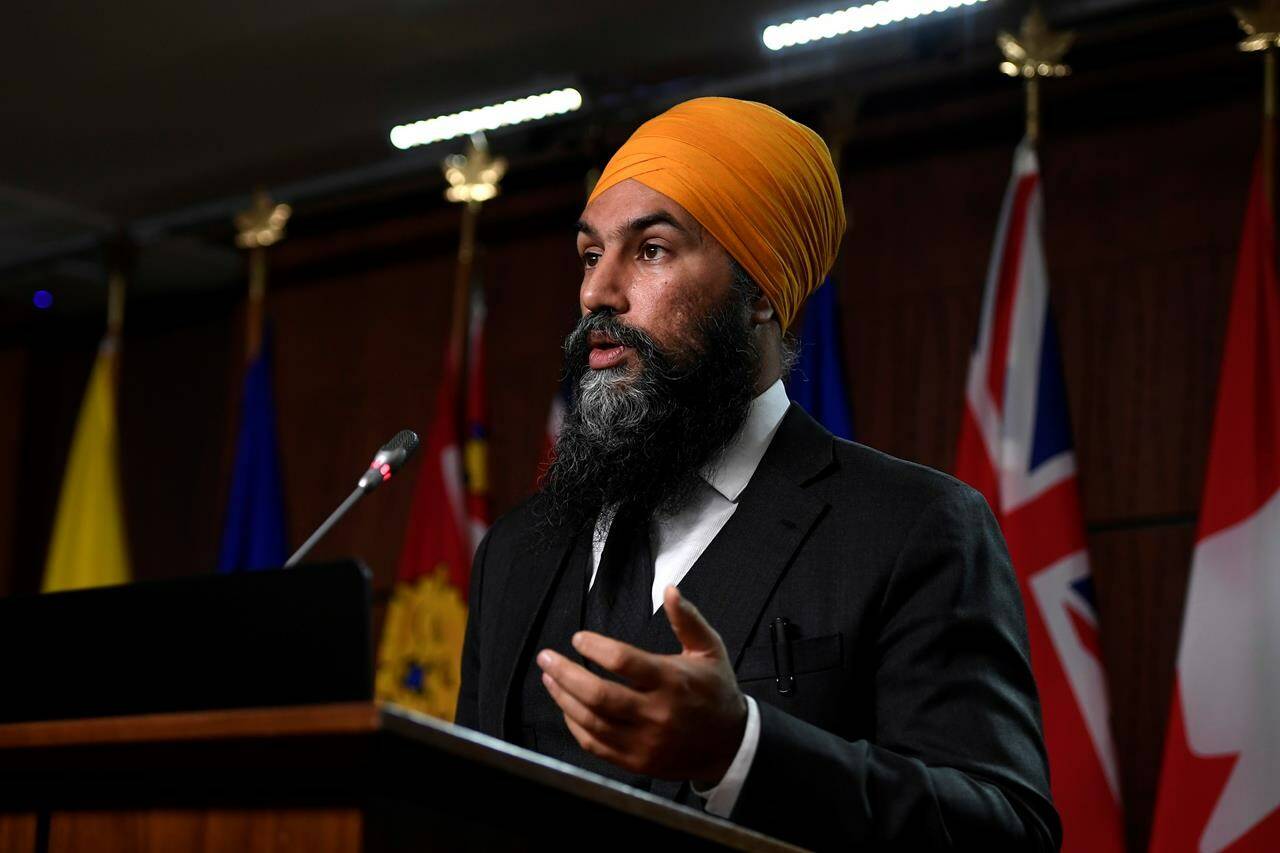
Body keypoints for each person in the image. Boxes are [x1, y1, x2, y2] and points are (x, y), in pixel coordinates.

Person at [455, 96, 1061, 850]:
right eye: (589, 254)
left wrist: (741, 749)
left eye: (651, 250)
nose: (595, 295)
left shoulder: (914, 527)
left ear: (762, 293)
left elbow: (1006, 832)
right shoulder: (517, 551)